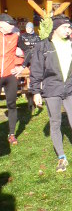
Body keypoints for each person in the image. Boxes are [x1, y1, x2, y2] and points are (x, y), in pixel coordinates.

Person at [29, 15, 72, 173]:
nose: (69, 30)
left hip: (71, 89)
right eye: (65, 27)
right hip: (52, 89)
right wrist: (36, 91)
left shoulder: (71, 45)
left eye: (70, 27)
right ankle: (61, 157)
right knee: (55, 123)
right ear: (55, 28)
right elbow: (36, 70)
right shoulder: (43, 46)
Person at [0, 14, 28, 145]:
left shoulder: (16, 36)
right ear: (1, 24)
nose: (13, 26)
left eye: (13, 24)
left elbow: (29, 51)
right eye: (10, 24)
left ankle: (11, 134)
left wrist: (21, 67)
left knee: (12, 105)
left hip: (10, 76)